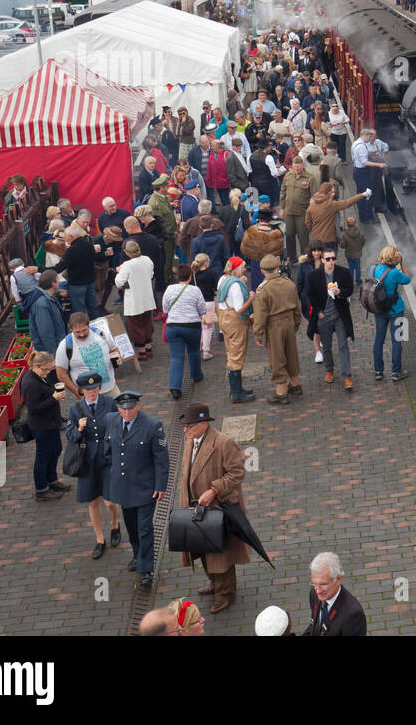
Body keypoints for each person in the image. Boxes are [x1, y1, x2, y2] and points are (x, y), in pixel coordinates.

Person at [176, 403, 251, 615]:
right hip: (196, 509)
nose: (185, 429)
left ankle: (225, 594)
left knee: (220, 553)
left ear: (202, 424)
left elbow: (237, 473)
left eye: (189, 425)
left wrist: (214, 490)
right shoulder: (191, 440)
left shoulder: (224, 443)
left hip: (218, 510)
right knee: (203, 550)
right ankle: (215, 584)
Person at [101, 391, 169, 589]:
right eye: (123, 408)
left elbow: (161, 459)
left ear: (139, 405)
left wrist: (160, 485)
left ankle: (146, 569)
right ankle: (138, 556)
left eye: (131, 408)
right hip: (122, 488)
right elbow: (108, 449)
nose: (127, 412)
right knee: (131, 527)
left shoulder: (152, 426)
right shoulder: (110, 420)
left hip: (145, 487)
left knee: (145, 528)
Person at [66, 372, 123, 558]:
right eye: (88, 389)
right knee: (93, 502)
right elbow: (70, 436)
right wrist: (79, 428)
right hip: (87, 461)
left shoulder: (110, 403)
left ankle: (115, 524)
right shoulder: (75, 409)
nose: (92, 392)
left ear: (99, 387)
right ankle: (100, 539)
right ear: (81, 391)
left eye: (95, 388)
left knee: (110, 501)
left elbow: (120, 426)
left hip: (107, 459)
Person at [253, 254, 304, 404]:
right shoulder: (289, 283)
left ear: (262, 271)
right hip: (289, 322)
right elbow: (297, 308)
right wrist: (295, 324)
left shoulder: (262, 290)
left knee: (277, 357)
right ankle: (295, 384)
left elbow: (260, 316)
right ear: (277, 268)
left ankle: (281, 392)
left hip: (274, 325)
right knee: (291, 353)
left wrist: (258, 334)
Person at [22, 351, 69, 501]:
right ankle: (41, 489)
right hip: (42, 426)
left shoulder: (38, 377)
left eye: (50, 369)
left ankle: (52, 480)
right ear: (36, 366)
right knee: (43, 457)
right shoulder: (31, 383)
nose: (48, 372)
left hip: (51, 423)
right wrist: (53, 398)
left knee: (55, 450)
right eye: (46, 369)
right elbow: (34, 409)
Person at [310, 246, 356, 390]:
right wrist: (319, 312)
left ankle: (347, 376)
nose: (331, 262)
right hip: (324, 316)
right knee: (327, 346)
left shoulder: (343, 272)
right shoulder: (314, 276)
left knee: (343, 345)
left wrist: (340, 292)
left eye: (333, 258)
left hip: (340, 315)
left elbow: (350, 289)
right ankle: (329, 370)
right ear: (322, 260)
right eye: (328, 259)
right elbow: (310, 295)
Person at [162, 263, 206, 401]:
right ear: (189, 277)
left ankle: (175, 387)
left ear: (177, 276)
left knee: (177, 357)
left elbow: (165, 308)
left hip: (173, 327)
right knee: (193, 352)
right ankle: (196, 375)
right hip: (192, 326)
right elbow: (202, 309)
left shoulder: (169, 289)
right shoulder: (195, 290)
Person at [369, 245, 412, 382]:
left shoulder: (373, 268)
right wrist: (402, 263)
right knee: (397, 340)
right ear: (395, 258)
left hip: (378, 310)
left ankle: (378, 371)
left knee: (379, 339)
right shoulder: (394, 273)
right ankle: (396, 372)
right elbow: (408, 279)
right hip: (396, 310)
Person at [217, 257, 256, 404]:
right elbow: (240, 309)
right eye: (243, 267)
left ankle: (238, 389)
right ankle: (236, 393)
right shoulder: (236, 286)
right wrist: (251, 298)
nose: (245, 269)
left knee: (231, 352)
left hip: (224, 318)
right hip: (235, 321)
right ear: (237, 268)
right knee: (237, 354)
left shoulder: (223, 279)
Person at [56, 312, 120, 397]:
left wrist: (118, 357)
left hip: (110, 388)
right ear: (71, 329)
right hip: (87, 395)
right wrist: (77, 392)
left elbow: (114, 349)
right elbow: (61, 374)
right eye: (77, 332)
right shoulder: (65, 345)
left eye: (84, 330)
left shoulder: (101, 334)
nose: (82, 334)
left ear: (88, 325)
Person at [304, 551, 366, 636]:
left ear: (338, 579)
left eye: (323, 584)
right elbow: (314, 626)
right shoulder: (314, 594)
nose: (318, 591)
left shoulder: (353, 614)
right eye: (314, 584)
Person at [22, 269, 67, 355]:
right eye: (58, 280)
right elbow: (46, 333)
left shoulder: (47, 298)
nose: (59, 282)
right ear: (53, 283)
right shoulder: (42, 304)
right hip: (50, 352)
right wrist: (54, 355)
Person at [60, 226, 101, 321]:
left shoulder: (71, 251)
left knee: (80, 311)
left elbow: (60, 267)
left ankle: (83, 330)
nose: (64, 238)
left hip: (76, 285)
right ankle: (98, 328)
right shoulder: (89, 245)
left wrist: (39, 269)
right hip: (90, 282)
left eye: (65, 236)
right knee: (93, 307)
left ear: (71, 236)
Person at [280, 159, 316, 263]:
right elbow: (283, 192)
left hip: (302, 212)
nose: (296, 169)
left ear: (303, 165)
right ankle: (292, 257)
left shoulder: (310, 178)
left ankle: (306, 256)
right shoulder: (288, 176)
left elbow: (314, 197)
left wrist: (311, 212)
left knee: (303, 236)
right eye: (294, 167)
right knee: (289, 234)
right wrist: (282, 208)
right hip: (289, 211)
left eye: (298, 167)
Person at [350, 128, 386, 223]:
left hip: (357, 171)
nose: (369, 139)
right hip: (362, 173)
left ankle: (362, 216)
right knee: (368, 194)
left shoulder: (355, 143)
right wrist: (379, 164)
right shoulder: (361, 147)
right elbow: (365, 162)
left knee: (361, 194)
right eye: (369, 137)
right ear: (364, 135)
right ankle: (367, 217)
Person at [339, 215, 366, 284]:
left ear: (347, 224)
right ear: (355, 223)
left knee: (351, 267)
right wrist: (360, 247)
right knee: (358, 267)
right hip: (357, 254)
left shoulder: (345, 235)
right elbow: (363, 241)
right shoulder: (360, 233)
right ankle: (358, 279)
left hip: (349, 254)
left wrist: (339, 240)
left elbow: (343, 245)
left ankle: (350, 280)